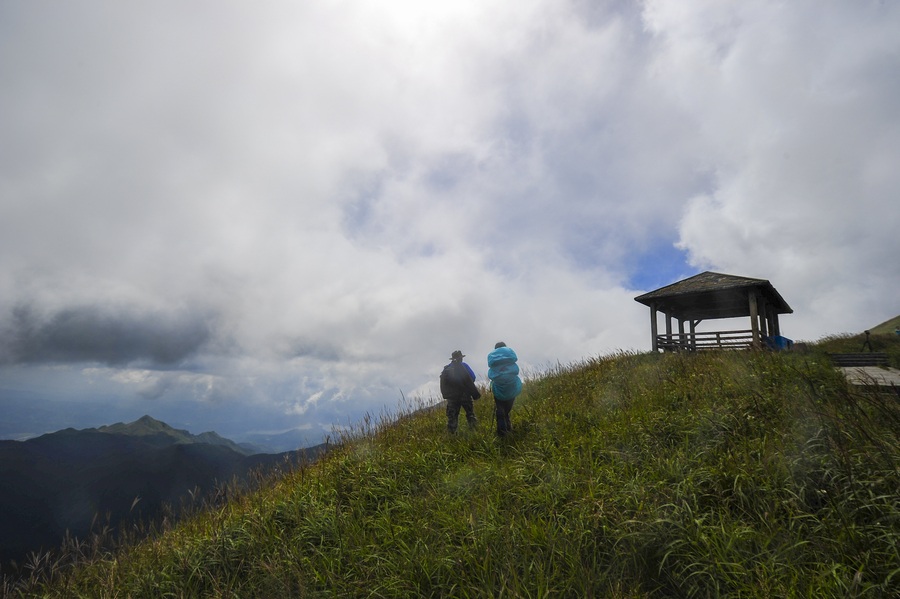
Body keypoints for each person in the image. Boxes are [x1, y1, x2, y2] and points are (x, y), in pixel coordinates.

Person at [440, 350, 480, 434]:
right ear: (461, 358)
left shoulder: (446, 369)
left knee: (452, 417)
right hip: (464, 394)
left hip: (451, 397)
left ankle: (452, 435)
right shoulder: (464, 366)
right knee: (470, 413)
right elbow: (472, 377)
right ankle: (475, 432)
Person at [487, 342, 522, 438]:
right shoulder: (510, 355)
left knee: (500, 411)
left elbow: (491, 375)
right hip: (512, 387)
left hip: (498, 389)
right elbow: (516, 370)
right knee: (506, 410)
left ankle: (502, 434)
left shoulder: (492, 357)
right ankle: (508, 428)